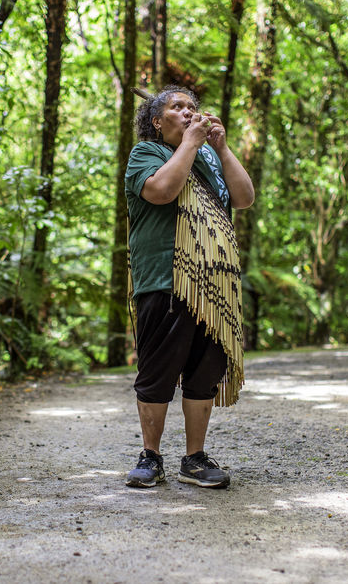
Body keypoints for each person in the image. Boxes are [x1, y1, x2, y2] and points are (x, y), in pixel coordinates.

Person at [123, 86, 255, 489]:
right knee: (158, 372)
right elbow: (162, 191)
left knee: (204, 373)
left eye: (192, 107)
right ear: (157, 122)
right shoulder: (146, 154)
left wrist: (221, 147)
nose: (187, 112)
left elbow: (244, 198)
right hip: (165, 279)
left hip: (214, 283)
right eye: (176, 107)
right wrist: (192, 144)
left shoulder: (210, 157)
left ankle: (194, 459)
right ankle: (151, 457)